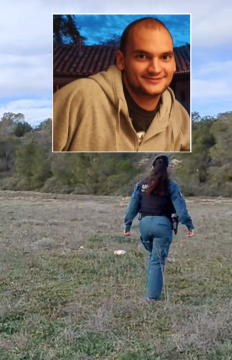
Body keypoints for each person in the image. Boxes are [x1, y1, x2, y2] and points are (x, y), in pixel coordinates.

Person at [53, 17, 190, 152]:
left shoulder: (180, 117)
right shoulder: (78, 98)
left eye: (165, 57)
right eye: (142, 56)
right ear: (121, 61)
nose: (155, 69)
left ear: (174, 65)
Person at [124, 155, 194, 302]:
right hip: (163, 225)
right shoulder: (172, 186)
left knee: (153, 257)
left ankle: (152, 286)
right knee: (157, 260)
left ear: (152, 168)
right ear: (168, 169)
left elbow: (132, 206)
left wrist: (127, 225)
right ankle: (151, 298)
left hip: (144, 225)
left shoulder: (141, 184)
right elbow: (181, 210)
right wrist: (189, 225)